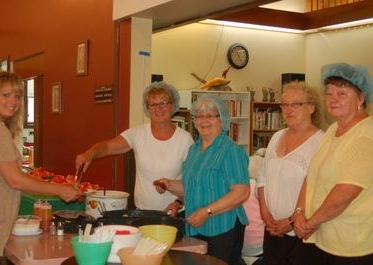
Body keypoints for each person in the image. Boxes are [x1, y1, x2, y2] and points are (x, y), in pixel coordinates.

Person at [0, 71, 81, 264]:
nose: (13, 101)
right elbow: (14, 179)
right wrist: (60, 190)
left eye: (17, 96)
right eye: (5, 95)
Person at [154, 94, 250, 265]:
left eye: (210, 116)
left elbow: (241, 193)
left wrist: (207, 212)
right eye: (199, 116)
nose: (204, 121)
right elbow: (192, 187)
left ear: (222, 119)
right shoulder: (194, 150)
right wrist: (169, 185)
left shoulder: (231, 150)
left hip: (223, 227)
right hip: (196, 225)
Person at [293, 63, 373, 264]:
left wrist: (310, 223)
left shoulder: (366, 136)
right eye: (329, 94)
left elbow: (343, 194)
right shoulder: (332, 130)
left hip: (351, 247)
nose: (333, 99)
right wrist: (299, 212)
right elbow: (312, 175)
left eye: (342, 93)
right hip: (322, 238)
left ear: (361, 98)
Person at [75, 81, 193, 214]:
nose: (158, 108)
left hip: (174, 213)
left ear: (173, 106)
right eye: (153, 104)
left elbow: (193, 181)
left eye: (164, 103)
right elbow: (107, 147)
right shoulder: (137, 133)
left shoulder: (185, 139)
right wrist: (90, 153)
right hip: (142, 212)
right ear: (147, 108)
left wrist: (179, 202)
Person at [257, 81, 323, 265]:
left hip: (302, 234)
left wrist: (291, 222)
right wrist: (265, 212)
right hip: (272, 230)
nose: (288, 109)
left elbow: (319, 191)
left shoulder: (321, 142)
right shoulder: (277, 136)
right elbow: (262, 177)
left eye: (296, 104)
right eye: (285, 104)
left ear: (311, 107)